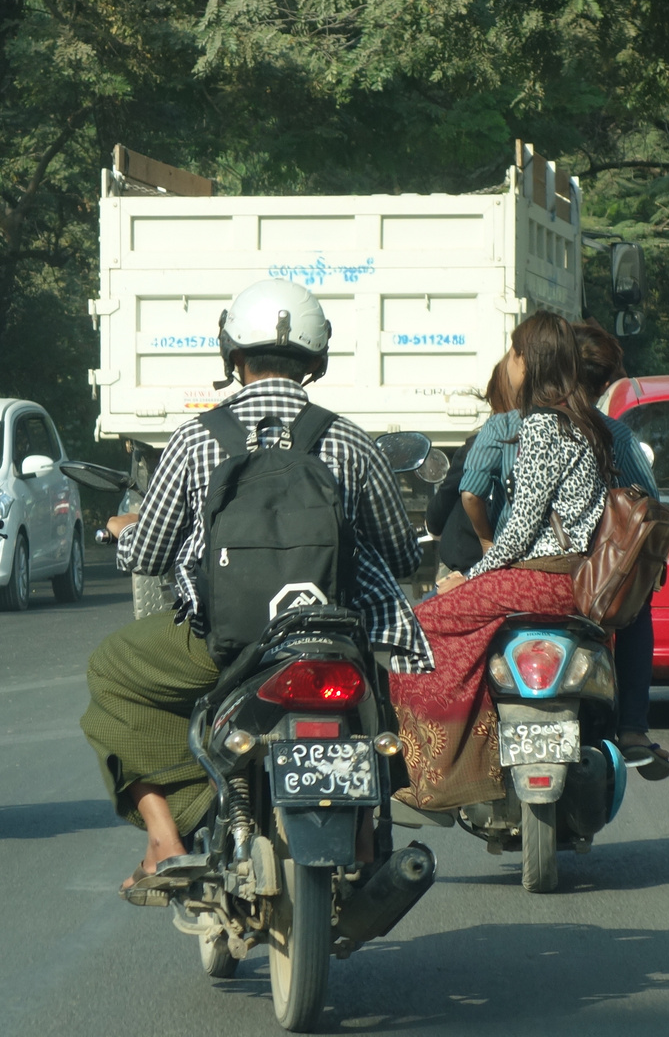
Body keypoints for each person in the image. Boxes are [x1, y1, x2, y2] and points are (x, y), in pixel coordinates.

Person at [79, 278, 429, 890]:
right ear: (316, 361)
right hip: (331, 642)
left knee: (111, 669)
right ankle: (368, 833)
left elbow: (152, 554)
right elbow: (401, 554)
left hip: (223, 645)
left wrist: (120, 531)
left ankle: (165, 838)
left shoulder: (194, 439)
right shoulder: (349, 440)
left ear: (232, 355)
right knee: (379, 704)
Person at [394, 311, 614, 810]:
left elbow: (519, 532)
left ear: (526, 361)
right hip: (570, 577)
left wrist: (468, 578)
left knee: (417, 626)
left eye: (514, 353)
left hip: (540, 578)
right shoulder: (585, 423)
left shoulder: (541, 426)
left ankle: (446, 773)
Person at [569, 321, 669, 780]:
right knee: (636, 610)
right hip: (597, 580)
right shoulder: (615, 435)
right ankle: (631, 728)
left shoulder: (510, 428)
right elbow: (649, 505)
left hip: (525, 571)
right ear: (605, 383)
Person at [426, 361, 515, 577]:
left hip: (466, 569)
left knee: (424, 611)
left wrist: (486, 541)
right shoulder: (555, 439)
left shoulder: (474, 450)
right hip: (527, 572)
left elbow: (464, 498)